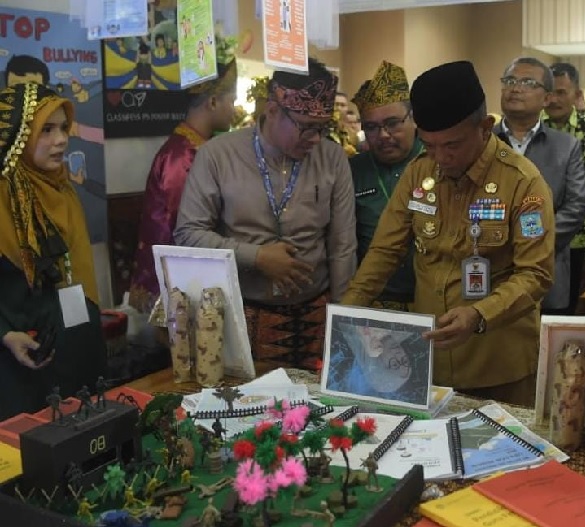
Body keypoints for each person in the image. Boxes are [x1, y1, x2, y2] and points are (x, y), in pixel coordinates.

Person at [340, 61, 555, 407]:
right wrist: (346, 314)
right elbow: (384, 252)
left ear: (485, 127)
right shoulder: (419, 173)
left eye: (452, 145)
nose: (440, 158)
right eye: (429, 145)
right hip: (429, 361)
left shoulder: (523, 183)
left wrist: (479, 314)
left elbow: (536, 274)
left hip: (498, 365)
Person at [174, 58, 356, 371]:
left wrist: (344, 322)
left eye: (322, 127)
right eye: (306, 127)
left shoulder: (332, 157)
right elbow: (188, 234)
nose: (315, 139)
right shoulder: (217, 156)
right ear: (273, 110)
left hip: (316, 318)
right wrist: (256, 257)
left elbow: (342, 246)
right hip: (243, 317)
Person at [0, 83, 106, 420]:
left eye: (63, 128)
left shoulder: (62, 190)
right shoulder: (3, 200)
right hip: (20, 371)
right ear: (18, 137)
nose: (61, 139)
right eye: (46, 130)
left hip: (74, 355)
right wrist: (4, 335)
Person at [129, 53, 238, 313]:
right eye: (232, 100)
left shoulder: (199, 149)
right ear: (213, 101)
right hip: (177, 285)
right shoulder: (181, 157)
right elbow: (180, 229)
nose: (235, 109)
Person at [494, 57, 585, 315]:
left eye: (527, 82)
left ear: (546, 99)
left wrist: (531, 240)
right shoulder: (483, 144)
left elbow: (577, 206)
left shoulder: (566, 147)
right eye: (510, 81)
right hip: (489, 272)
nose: (516, 88)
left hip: (545, 271)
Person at [349, 61, 422, 311]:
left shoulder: (436, 161)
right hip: (374, 302)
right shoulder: (353, 170)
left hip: (432, 301)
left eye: (392, 123)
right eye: (371, 127)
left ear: (413, 118)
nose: (383, 135)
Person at [544, 62, 585, 311]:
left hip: (578, 235)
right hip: (534, 232)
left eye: (562, 92)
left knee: (570, 302)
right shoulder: (533, 127)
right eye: (550, 92)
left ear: (576, 94)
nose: (554, 100)